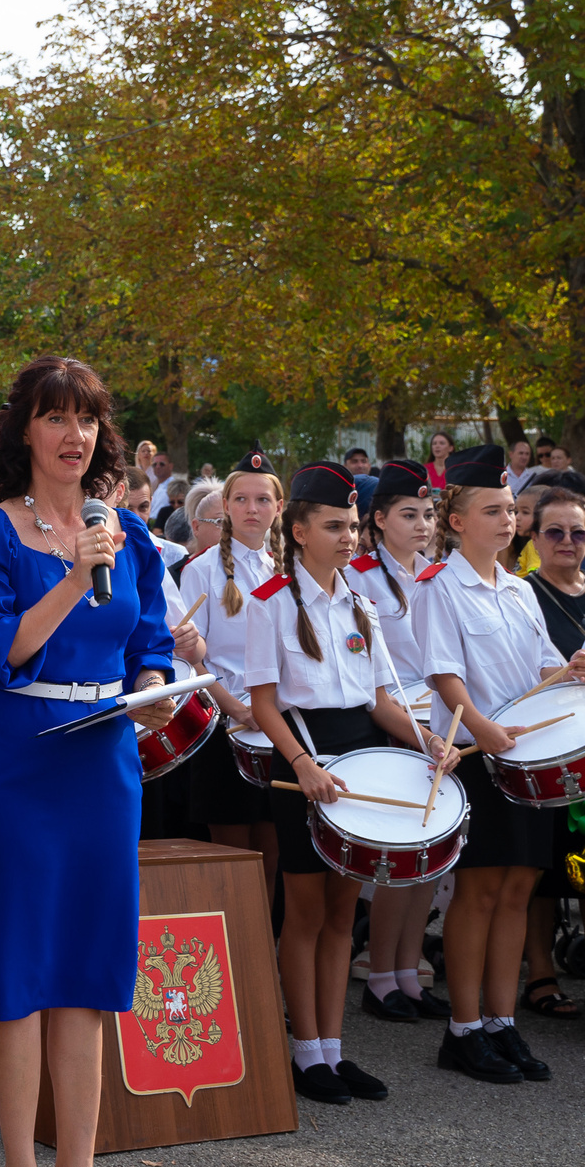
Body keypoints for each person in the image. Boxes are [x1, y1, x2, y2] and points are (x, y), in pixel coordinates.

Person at [0, 356, 177, 1167]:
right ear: (24, 432)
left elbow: (149, 637)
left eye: (86, 420)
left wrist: (154, 684)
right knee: (19, 976)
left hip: (103, 762)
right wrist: (76, 576)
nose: (74, 435)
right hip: (20, 764)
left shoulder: (130, 535)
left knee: (86, 975)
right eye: (55, 417)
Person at [244, 462, 453, 1107]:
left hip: (357, 758)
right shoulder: (271, 601)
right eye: (335, 526)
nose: (350, 537)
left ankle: (334, 1050)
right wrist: (301, 765)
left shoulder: (360, 603)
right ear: (299, 530)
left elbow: (382, 700)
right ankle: (305, 1052)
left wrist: (428, 741)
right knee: (305, 915)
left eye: (354, 525)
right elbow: (263, 703)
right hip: (304, 763)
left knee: (342, 913)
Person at [414, 446, 585, 1085]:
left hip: (526, 756)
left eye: (510, 510)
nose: (507, 520)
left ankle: (502, 1021)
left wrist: (571, 671)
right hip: (474, 754)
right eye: (492, 510)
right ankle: (463, 1029)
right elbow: (444, 673)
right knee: (480, 891)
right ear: (457, 520)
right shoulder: (439, 585)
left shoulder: (519, 590)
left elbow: (543, 664)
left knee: (518, 888)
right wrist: (484, 729)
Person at [517, 482, 585, 1019]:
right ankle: (540, 974)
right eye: (554, 532)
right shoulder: (521, 594)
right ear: (534, 536)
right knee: (541, 867)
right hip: (543, 748)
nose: (568, 541)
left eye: (579, 532)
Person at [350, 459, 448, 1024]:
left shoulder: (437, 576)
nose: (421, 525)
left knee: (431, 862)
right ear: (379, 519)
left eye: (428, 514)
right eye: (408, 514)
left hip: (437, 723)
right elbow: (369, 674)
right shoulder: (359, 576)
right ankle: (380, 975)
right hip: (390, 720)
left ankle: (409, 974)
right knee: (400, 858)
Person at [172, 449, 284, 906]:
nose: (252, 509)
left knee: (272, 854)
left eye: (263, 500)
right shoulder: (200, 570)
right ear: (227, 508)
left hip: (278, 727)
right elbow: (195, 661)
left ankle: (264, 957)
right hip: (227, 724)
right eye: (241, 500)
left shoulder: (287, 570)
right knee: (231, 859)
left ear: (279, 508)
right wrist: (236, 707)